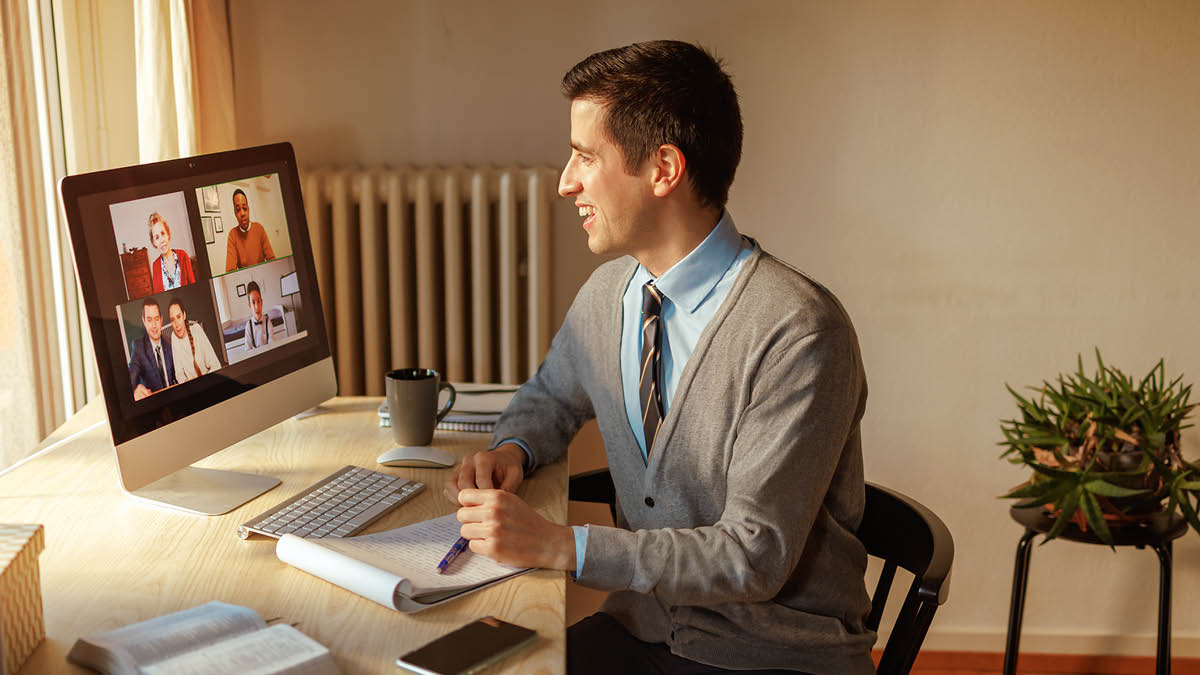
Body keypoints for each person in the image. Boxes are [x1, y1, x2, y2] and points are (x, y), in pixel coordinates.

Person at [443, 41, 874, 675]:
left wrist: (564, 546)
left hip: (770, 654)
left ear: (664, 169)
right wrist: (512, 450)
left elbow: (753, 557)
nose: (565, 181)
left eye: (586, 156)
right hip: (643, 631)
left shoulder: (800, 333)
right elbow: (551, 397)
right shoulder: (609, 294)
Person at [128, 298, 177, 400]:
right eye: (149, 320)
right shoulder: (139, 347)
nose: (154, 325)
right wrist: (134, 390)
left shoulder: (170, 343)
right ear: (144, 321)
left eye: (156, 319)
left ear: (161, 319)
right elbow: (130, 379)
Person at [166, 297, 222, 382]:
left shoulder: (196, 330)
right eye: (173, 320)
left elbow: (216, 365)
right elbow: (179, 373)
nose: (176, 324)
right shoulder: (174, 337)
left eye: (178, 317)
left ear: (184, 315)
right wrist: (187, 382)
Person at [224, 189, 276, 272]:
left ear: (248, 209)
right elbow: (230, 270)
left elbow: (272, 259)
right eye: (238, 210)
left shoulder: (259, 228)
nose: (242, 213)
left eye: (244, 208)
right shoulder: (232, 235)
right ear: (235, 213)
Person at [148, 212, 196, 293]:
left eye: (163, 233)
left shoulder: (183, 255)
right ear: (154, 243)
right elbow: (158, 294)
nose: (161, 240)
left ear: (168, 234)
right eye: (157, 237)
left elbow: (193, 286)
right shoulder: (155, 266)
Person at [242, 281, 272, 350]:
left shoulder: (268, 322)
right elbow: (247, 349)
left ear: (262, 302)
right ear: (249, 305)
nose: (257, 306)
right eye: (253, 302)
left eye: (258, 301)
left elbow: (272, 343)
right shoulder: (248, 326)